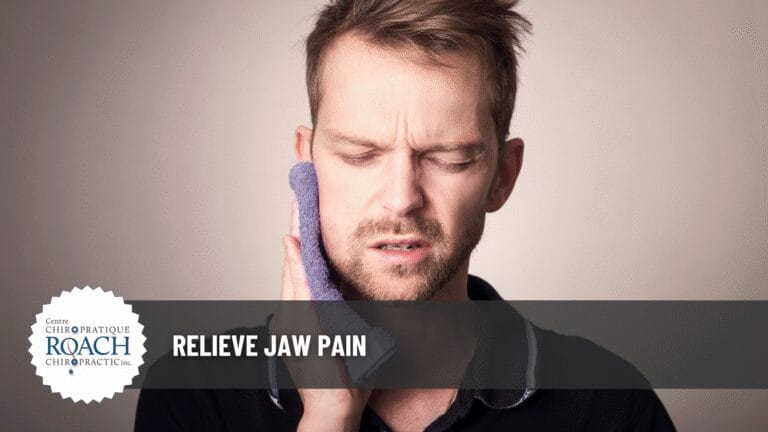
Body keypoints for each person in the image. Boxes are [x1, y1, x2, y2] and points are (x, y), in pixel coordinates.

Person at [136, 0, 676, 430]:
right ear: (307, 162)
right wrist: (328, 422)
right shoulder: (194, 395)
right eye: (359, 155)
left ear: (503, 175)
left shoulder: (609, 404)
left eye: (449, 159)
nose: (401, 198)